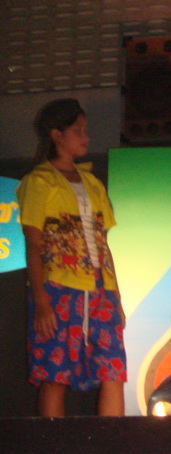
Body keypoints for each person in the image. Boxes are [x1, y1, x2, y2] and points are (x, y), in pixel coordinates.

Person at [16, 99, 127, 417]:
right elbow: (33, 244)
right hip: (58, 289)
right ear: (56, 135)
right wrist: (41, 301)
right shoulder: (39, 182)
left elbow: (103, 242)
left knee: (112, 369)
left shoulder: (92, 183)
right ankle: (53, 446)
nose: (85, 138)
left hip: (101, 289)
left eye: (85, 131)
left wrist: (116, 295)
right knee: (55, 374)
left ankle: (114, 442)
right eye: (78, 131)